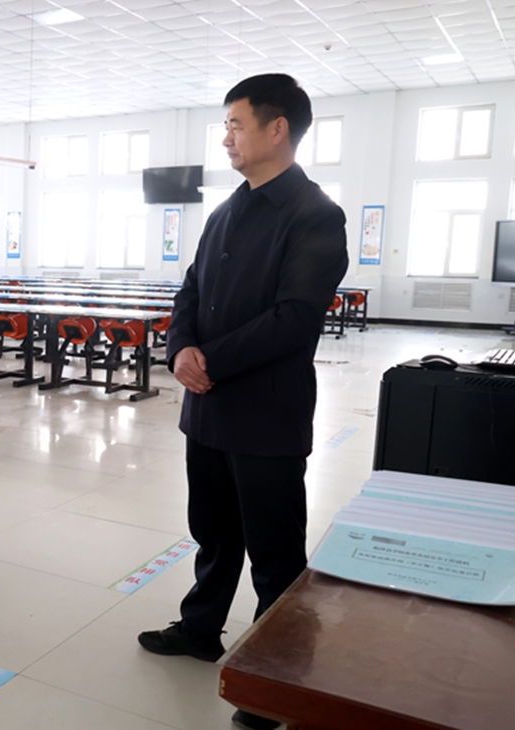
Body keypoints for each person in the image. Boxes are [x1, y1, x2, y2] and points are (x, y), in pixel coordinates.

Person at [137, 74, 348, 730]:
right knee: (213, 532)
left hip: (265, 413)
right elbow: (190, 291)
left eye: (235, 124)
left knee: (275, 554)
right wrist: (180, 348)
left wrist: (211, 360)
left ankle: (275, 677)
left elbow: (294, 318)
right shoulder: (226, 210)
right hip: (208, 410)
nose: (226, 137)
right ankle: (201, 628)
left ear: (277, 129)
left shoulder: (315, 215)